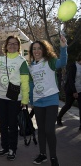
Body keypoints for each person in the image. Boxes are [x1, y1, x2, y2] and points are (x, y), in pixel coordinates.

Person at [0, 35, 29, 161]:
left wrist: (25, 99)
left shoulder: (22, 61)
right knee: (3, 124)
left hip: (15, 99)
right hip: (0, 97)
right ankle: (4, 147)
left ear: (18, 46)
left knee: (13, 125)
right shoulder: (0, 59)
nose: (12, 46)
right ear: (6, 46)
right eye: (10, 43)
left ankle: (12, 149)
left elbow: (25, 82)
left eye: (15, 43)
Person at [28, 35, 67, 166]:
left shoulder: (50, 61)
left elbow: (63, 62)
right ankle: (43, 154)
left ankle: (54, 157)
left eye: (39, 48)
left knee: (50, 130)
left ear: (44, 50)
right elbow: (31, 85)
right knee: (41, 130)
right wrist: (32, 102)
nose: (36, 51)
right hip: (38, 102)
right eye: (34, 49)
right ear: (32, 51)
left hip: (51, 100)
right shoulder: (31, 66)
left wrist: (63, 47)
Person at [57, 52, 81, 130]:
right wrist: (74, 91)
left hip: (80, 90)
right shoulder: (73, 66)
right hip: (71, 90)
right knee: (68, 105)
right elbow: (70, 80)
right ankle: (59, 118)